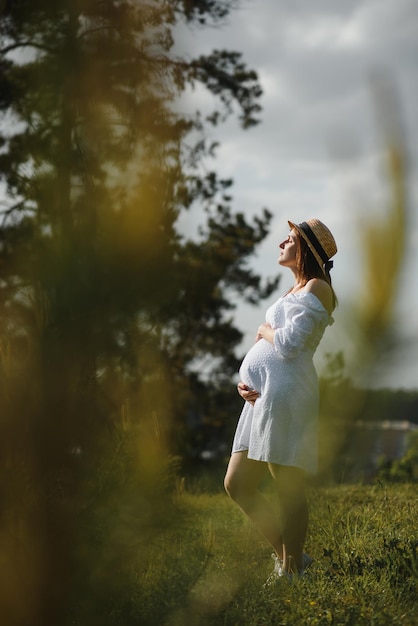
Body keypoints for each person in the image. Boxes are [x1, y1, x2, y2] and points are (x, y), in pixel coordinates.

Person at [224, 218, 337, 582]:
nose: (281, 244)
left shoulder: (318, 288)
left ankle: (291, 572)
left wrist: (263, 330)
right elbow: (274, 346)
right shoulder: (293, 292)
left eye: (289, 240)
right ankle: (292, 560)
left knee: (286, 484)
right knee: (237, 483)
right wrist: (245, 381)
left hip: (287, 394)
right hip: (260, 397)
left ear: (306, 249)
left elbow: (288, 345)